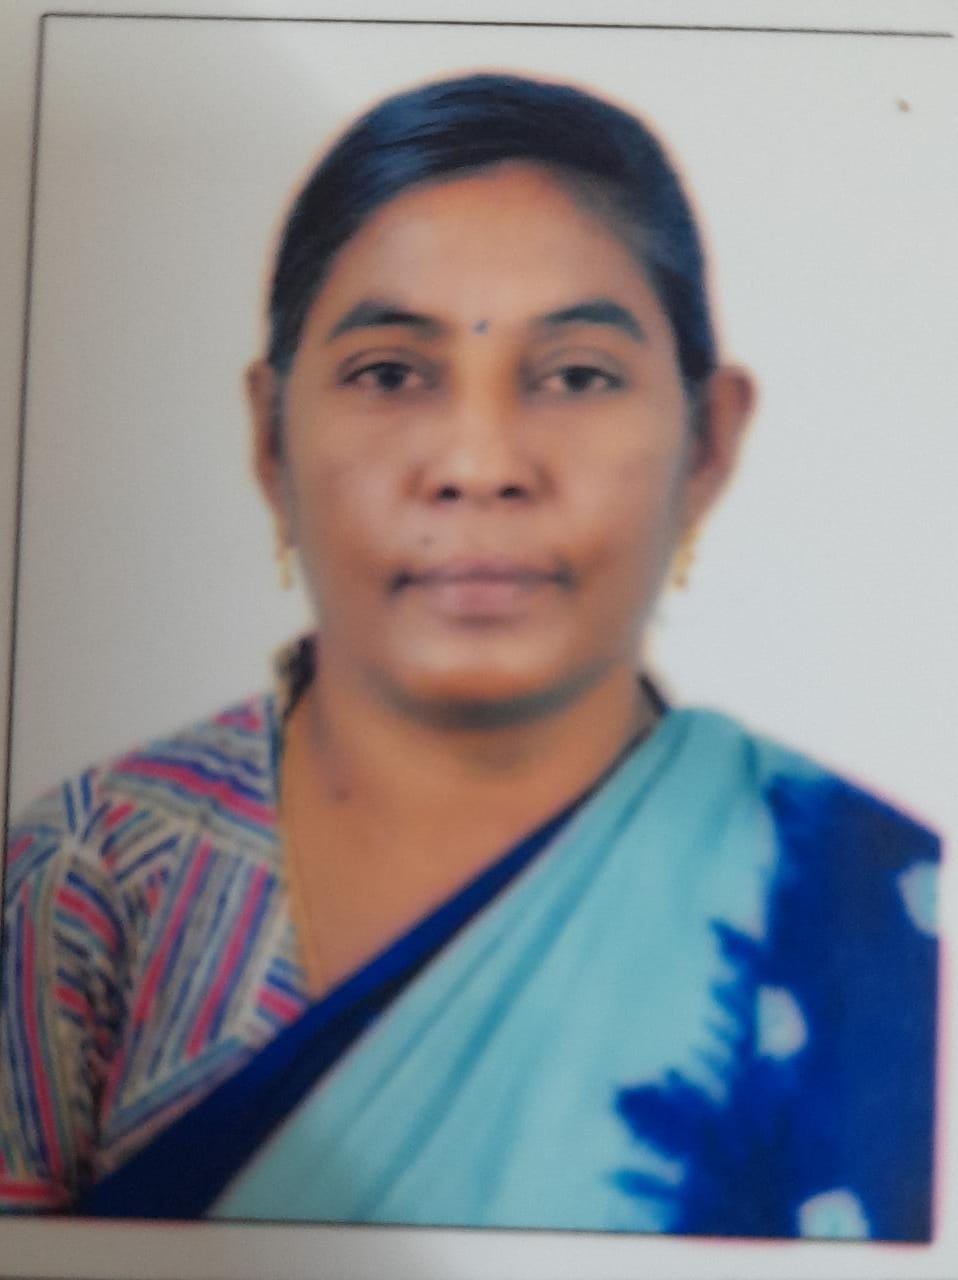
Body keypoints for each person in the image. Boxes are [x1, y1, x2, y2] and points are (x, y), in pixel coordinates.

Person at [0, 72, 938, 1239]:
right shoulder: (87, 879)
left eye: (576, 376)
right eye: (391, 374)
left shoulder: (872, 908)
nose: (480, 464)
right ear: (268, 437)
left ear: (707, 439)